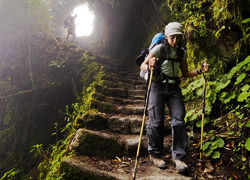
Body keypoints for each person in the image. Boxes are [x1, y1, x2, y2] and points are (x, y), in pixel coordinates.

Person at [140, 22, 209, 174]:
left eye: (178, 38)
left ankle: (178, 157)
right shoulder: (159, 49)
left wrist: (199, 71)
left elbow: (184, 73)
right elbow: (142, 66)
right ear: (166, 37)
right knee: (156, 120)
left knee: (178, 119)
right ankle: (155, 154)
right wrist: (149, 64)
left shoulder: (181, 52)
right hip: (157, 86)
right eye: (172, 38)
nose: (175, 41)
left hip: (173, 88)